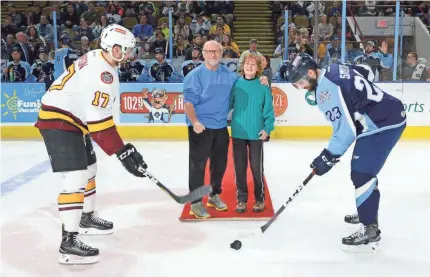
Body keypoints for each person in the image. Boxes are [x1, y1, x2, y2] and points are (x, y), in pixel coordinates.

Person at [34, 24, 148, 264]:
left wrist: (122, 150)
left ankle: (86, 217)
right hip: (60, 122)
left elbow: (97, 118)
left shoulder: (100, 58)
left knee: (90, 170)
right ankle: (69, 243)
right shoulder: (102, 74)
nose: (128, 55)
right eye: (125, 50)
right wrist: (122, 152)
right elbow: (99, 124)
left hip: (73, 119)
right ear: (113, 48)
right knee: (75, 179)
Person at [289, 54, 406, 251]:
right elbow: (366, 71)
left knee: (361, 172)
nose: (301, 87)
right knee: (362, 170)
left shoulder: (325, 92)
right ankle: (366, 209)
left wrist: (327, 157)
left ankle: (370, 228)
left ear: (310, 73)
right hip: (389, 111)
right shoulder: (335, 68)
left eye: (300, 82)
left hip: (382, 123)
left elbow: (346, 131)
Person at [183, 40, 269, 219]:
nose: (213, 55)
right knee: (198, 165)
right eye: (209, 51)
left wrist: (263, 78)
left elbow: (247, 80)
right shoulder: (194, 76)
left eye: (217, 52)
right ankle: (196, 202)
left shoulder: (229, 75)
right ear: (203, 53)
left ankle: (213, 195)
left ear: (221, 54)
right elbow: (188, 103)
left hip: (221, 126)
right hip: (201, 127)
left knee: (220, 164)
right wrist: (195, 122)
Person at [229, 53, 275, 213]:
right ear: (242, 66)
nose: (249, 66)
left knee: (256, 167)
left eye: (253, 65)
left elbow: (269, 110)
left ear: (258, 69)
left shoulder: (263, 86)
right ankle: (241, 199)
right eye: (247, 63)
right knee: (239, 167)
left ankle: (259, 198)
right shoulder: (236, 84)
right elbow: (227, 105)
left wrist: (268, 128)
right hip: (238, 131)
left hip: (256, 133)